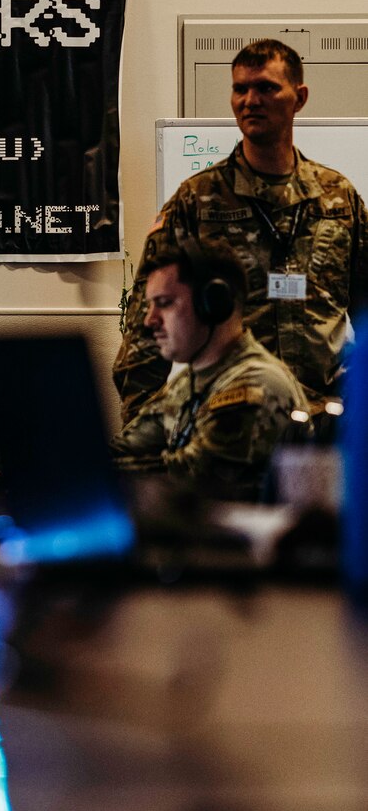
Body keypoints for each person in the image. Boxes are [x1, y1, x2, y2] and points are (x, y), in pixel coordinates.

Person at [114, 38, 368, 424]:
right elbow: (148, 325)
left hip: (324, 425)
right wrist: (144, 436)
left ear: (299, 98)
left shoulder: (338, 198)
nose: (250, 100)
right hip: (229, 424)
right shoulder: (197, 201)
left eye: (266, 87)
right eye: (240, 89)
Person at [114, 243, 300, 499]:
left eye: (164, 303)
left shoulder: (256, 385)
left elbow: (189, 480)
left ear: (213, 303)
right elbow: (125, 448)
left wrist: (91, 474)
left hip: (233, 536)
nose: (150, 320)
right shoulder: (190, 380)